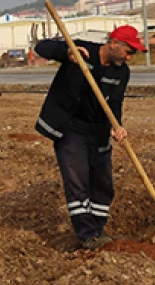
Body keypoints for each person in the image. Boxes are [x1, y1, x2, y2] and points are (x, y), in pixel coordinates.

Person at [34, 26, 145, 250]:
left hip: (98, 130)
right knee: (77, 181)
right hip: (70, 128)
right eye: (128, 50)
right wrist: (67, 54)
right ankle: (87, 235)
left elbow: (115, 103)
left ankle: (98, 228)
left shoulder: (122, 72)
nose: (129, 57)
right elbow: (41, 47)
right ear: (113, 43)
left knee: (103, 182)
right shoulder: (82, 50)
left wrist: (117, 125)